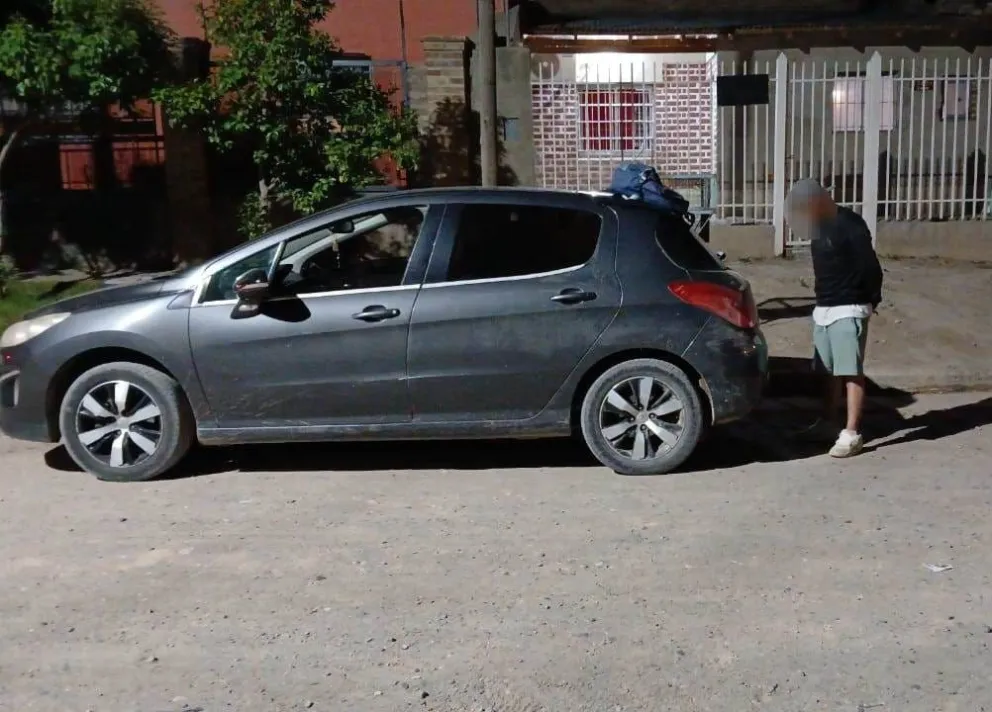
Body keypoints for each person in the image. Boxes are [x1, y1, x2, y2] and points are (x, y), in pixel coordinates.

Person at [785, 180, 883, 458]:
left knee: (850, 369)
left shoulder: (850, 224)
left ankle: (852, 433)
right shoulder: (819, 227)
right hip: (825, 307)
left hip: (849, 306)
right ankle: (828, 423)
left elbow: (869, 265)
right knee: (828, 370)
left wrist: (870, 299)